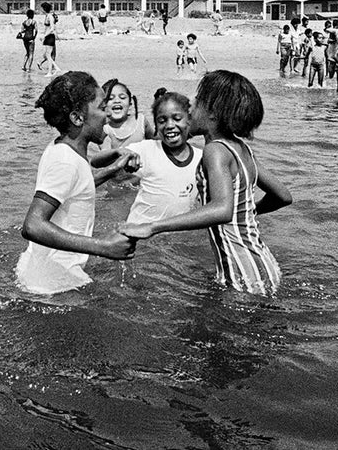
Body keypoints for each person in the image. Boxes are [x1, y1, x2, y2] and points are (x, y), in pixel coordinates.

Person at [118, 70, 292, 296]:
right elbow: (283, 196)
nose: (190, 108)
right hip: (263, 263)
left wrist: (152, 227)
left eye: (196, 103)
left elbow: (222, 210)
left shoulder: (215, 151)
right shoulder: (241, 148)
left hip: (243, 273)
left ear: (213, 114)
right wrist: (246, 213)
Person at [16, 72, 138, 295]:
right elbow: (32, 225)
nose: (108, 115)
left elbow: (79, 185)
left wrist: (114, 167)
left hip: (47, 275)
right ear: (77, 118)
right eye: (102, 107)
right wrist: (104, 247)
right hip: (53, 285)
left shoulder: (65, 149)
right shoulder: (65, 162)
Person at [120, 89, 202, 224]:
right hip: (140, 231)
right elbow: (97, 161)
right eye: (162, 121)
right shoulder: (147, 149)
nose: (170, 125)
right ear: (156, 126)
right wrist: (120, 153)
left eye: (177, 119)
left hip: (175, 235)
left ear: (189, 121)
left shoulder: (201, 158)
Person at [99, 78, 155, 150]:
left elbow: (157, 141)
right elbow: (104, 156)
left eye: (122, 97)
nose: (117, 101)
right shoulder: (104, 129)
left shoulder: (140, 121)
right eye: (110, 98)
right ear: (102, 104)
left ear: (130, 103)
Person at [37, 2, 62, 77]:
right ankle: (55, 68)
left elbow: (52, 28)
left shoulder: (50, 16)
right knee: (47, 55)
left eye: (41, 8)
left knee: (48, 55)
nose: (40, 10)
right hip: (48, 36)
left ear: (44, 9)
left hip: (50, 36)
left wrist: (44, 36)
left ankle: (50, 72)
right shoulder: (47, 16)